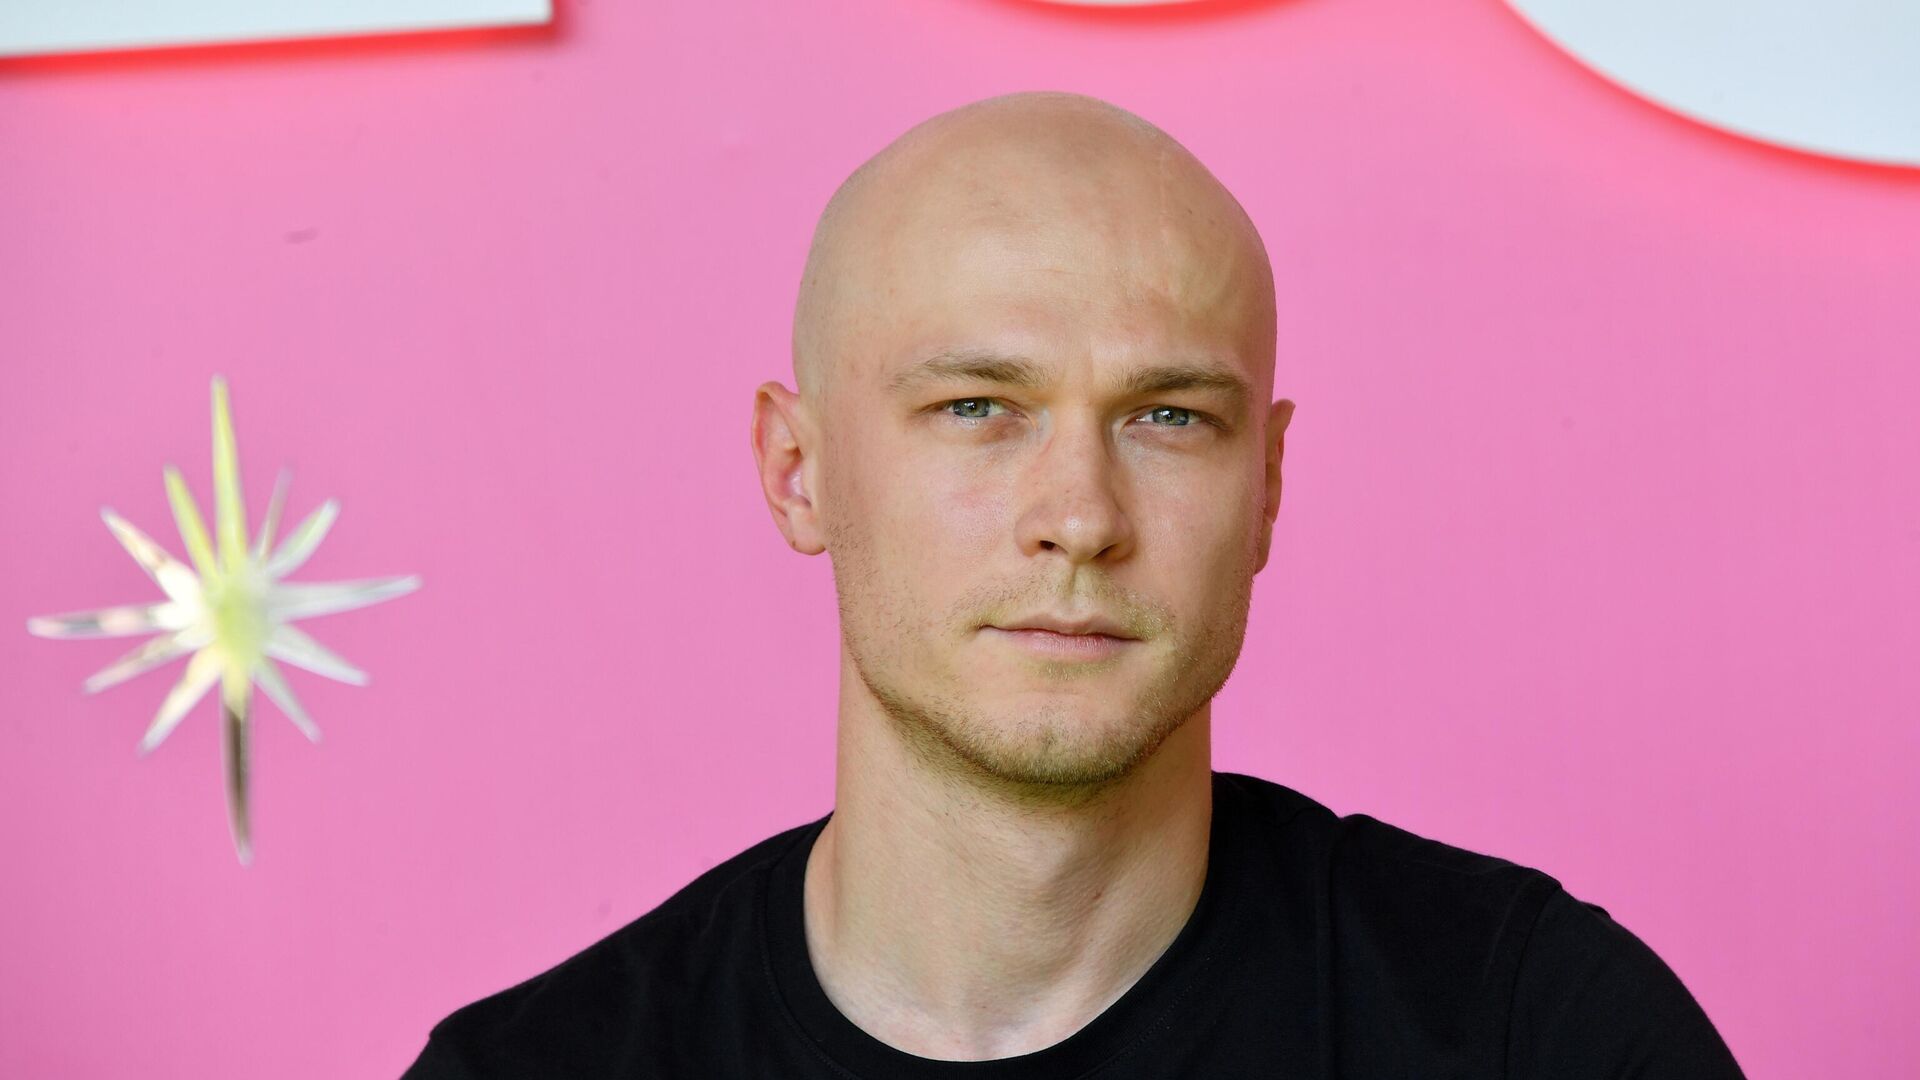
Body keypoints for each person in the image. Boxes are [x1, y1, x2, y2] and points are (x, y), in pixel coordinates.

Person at [402, 90, 1746, 1078]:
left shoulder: (1536, 1035)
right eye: (978, 408)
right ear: (799, 471)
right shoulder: (535, 1071)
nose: (1081, 519)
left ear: (1267, 486)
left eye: (1169, 418)